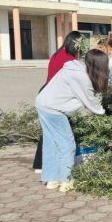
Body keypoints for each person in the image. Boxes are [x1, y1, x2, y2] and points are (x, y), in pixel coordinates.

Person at [35, 49, 109, 192]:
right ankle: (66, 179)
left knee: (52, 143)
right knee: (67, 143)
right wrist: (104, 113)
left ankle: (52, 179)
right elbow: (91, 102)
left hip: (43, 103)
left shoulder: (74, 67)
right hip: (53, 109)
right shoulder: (81, 77)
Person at [33, 31, 82, 172]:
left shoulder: (58, 54)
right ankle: (47, 164)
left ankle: (42, 164)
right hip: (54, 97)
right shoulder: (69, 59)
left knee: (49, 130)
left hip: (46, 92)